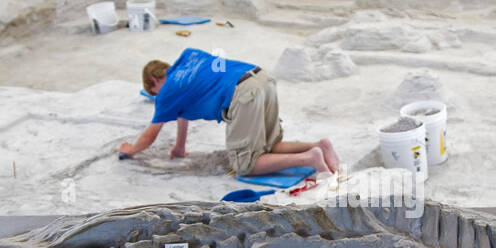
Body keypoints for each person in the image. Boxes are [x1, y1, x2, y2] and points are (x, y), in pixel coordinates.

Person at [120, 49, 341, 177]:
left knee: (245, 165)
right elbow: (182, 112)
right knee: (270, 145)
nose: (157, 96)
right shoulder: (189, 58)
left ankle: (310, 159)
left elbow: (151, 134)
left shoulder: (167, 91)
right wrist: (179, 147)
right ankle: (319, 146)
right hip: (262, 79)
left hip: (243, 93)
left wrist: (130, 149)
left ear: (153, 81)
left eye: (154, 92)